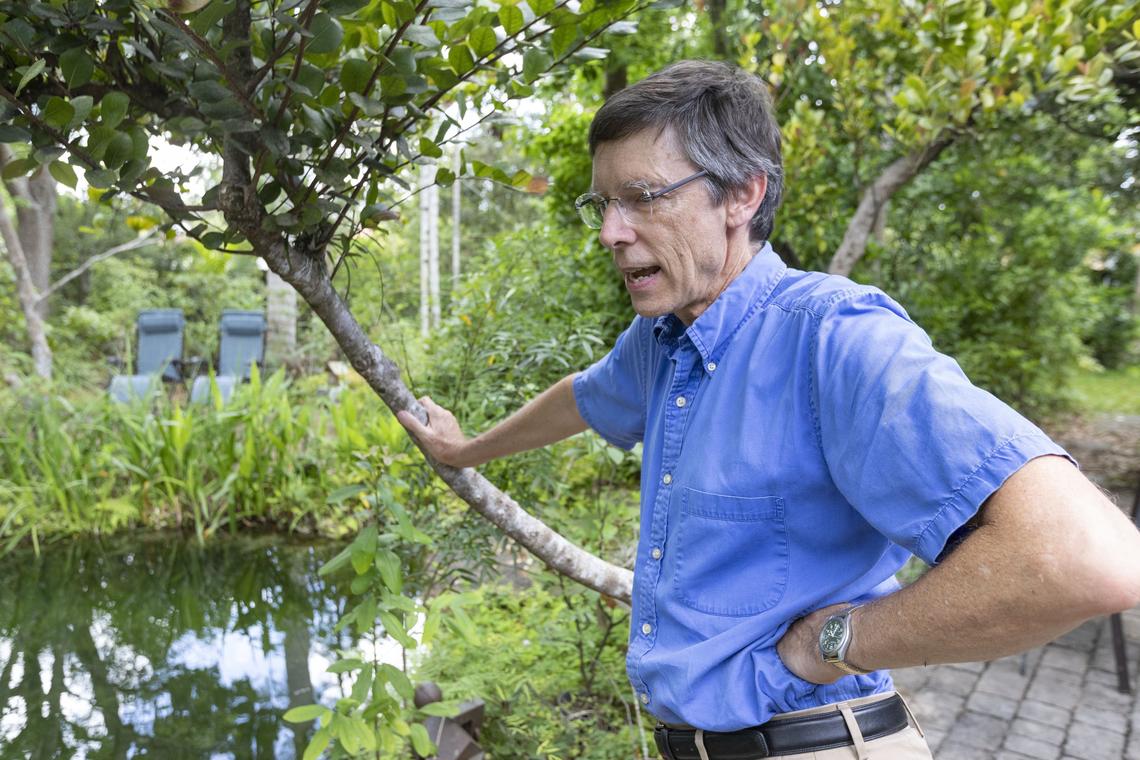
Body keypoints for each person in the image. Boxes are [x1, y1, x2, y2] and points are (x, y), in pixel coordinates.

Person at [397, 60, 1140, 759]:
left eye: (643, 197)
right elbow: (586, 398)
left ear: (743, 193)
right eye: (604, 203)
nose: (610, 232)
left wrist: (833, 641)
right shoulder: (661, 340)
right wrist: (466, 453)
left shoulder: (832, 336)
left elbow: (1085, 558)